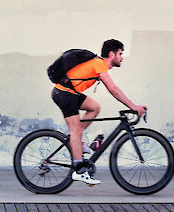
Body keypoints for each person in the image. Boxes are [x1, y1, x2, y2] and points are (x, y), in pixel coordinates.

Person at [51, 39, 147, 185]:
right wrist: (133, 106)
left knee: (95, 107)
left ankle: (77, 141)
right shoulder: (99, 64)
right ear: (111, 54)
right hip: (64, 94)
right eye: (120, 54)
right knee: (75, 130)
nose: (122, 58)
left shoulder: (98, 63)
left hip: (71, 93)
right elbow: (113, 89)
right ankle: (79, 171)